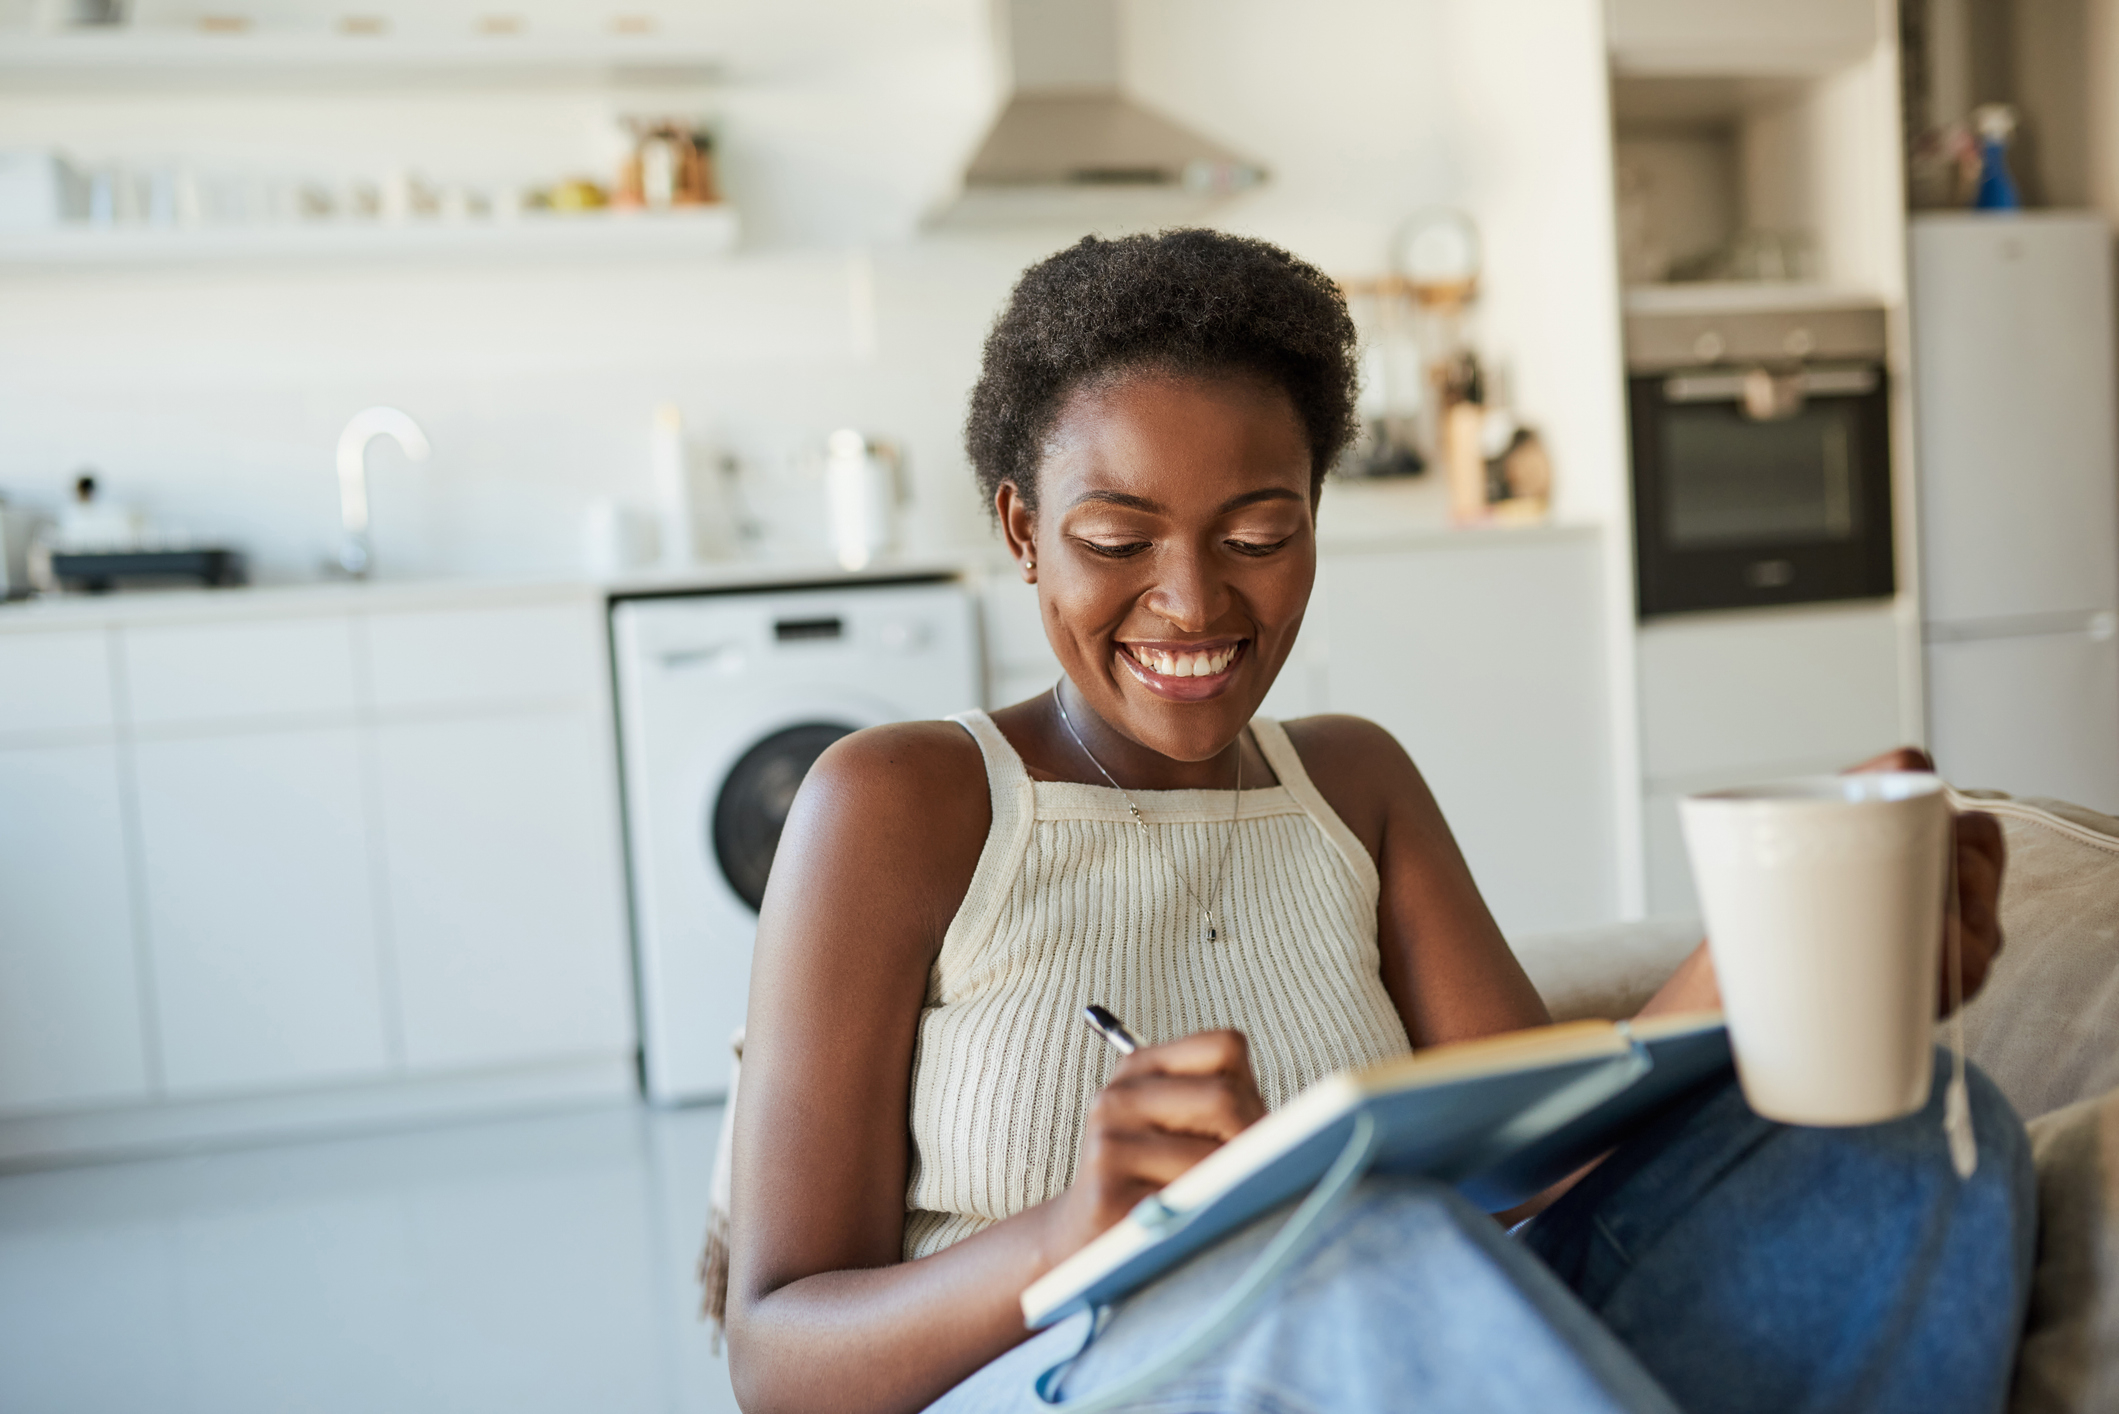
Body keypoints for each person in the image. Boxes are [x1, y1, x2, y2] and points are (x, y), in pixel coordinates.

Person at [722, 229, 2034, 1414]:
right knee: (1357, 1234)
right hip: (1086, 1372)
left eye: (1258, 531)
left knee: (1918, 1126)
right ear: (1023, 529)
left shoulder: (1355, 782)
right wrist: (1074, 1227)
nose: (1190, 601)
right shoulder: (898, 801)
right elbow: (775, 1357)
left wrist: (1794, 944)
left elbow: (1545, 1157)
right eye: (1118, 537)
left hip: (1402, 1338)